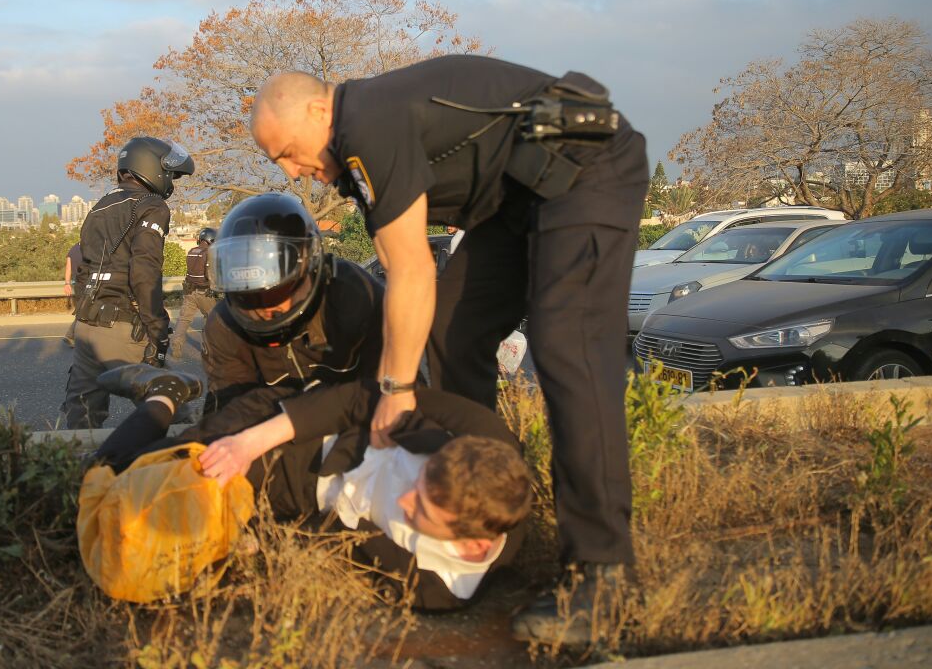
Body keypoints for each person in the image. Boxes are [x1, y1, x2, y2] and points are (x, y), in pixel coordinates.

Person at [249, 55, 649, 644]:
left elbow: (413, 271)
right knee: (455, 331)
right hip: (516, 202)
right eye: (279, 162)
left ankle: (604, 572)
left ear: (318, 109)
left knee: (567, 345)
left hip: (585, 168)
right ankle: (471, 499)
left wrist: (395, 389)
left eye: (287, 151)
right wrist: (397, 378)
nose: (292, 170)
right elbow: (395, 260)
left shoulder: (365, 122)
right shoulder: (360, 146)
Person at [89, 364, 531, 610]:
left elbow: (342, 549)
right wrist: (247, 444)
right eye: (420, 482)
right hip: (288, 434)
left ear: (473, 545)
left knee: (156, 539)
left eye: (423, 512)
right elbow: (360, 397)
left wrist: (260, 539)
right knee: (115, 474)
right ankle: (163, 393)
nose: (403, 499)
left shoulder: (442, 589)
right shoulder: (480, 435)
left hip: (302, 500)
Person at [199, 192, 386, 413]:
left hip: (360, 427)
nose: (265, 309)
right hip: (273, 436)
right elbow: (228, 409)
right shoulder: (224, 325)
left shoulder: (353, 295)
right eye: (247, 297)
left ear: (311, 268)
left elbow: (395, 391)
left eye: (277, 291)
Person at [60, 136, 194, 429]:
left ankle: (83, 472)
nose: (171, 180)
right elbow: (144, 272)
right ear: (151, 168)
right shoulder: (151, 206)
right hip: (121, 328)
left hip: (86, 326)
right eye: (170, 174)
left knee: (82, 421)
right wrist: (157, 329)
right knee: (176, 416)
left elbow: (84, 269)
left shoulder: (100, 206)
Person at [169, 227, 218, 360]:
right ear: (210, 240)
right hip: (204, 292)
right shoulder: (209, 253)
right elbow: (210, 275)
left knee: (184, 319)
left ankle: (176, 347)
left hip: (189, 292)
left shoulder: (191, 251)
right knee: (210, 318)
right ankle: (207, 349)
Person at [62, 241, 83, 346]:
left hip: (76, 284)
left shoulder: (72, 249)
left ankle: (73, 336)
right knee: (83, 310)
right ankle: (70, 335)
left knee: (82, 310)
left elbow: (68, 268)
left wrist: (67, 283)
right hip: (85, 284)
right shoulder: (88, 249)